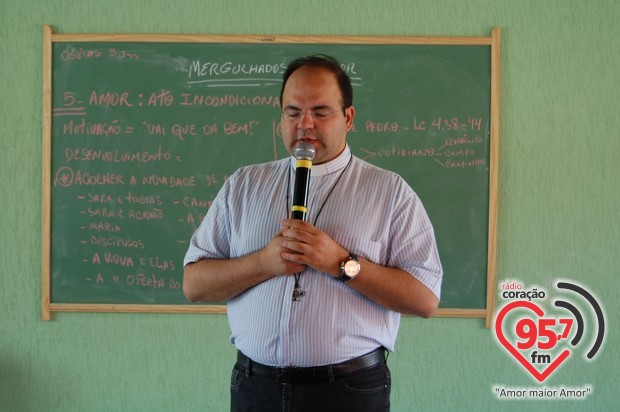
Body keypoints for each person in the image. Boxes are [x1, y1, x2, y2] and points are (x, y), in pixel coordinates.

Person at [183, 54, 443, 412]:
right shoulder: (242, 185)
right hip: (255, 387)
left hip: (348, 390)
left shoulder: (390, 192)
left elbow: (425, 299)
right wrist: (264, 263)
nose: (305, 124)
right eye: (292, 112)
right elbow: (194, 284)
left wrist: (341, 263)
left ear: (348, 117)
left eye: (320, 112)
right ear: (280, 119)